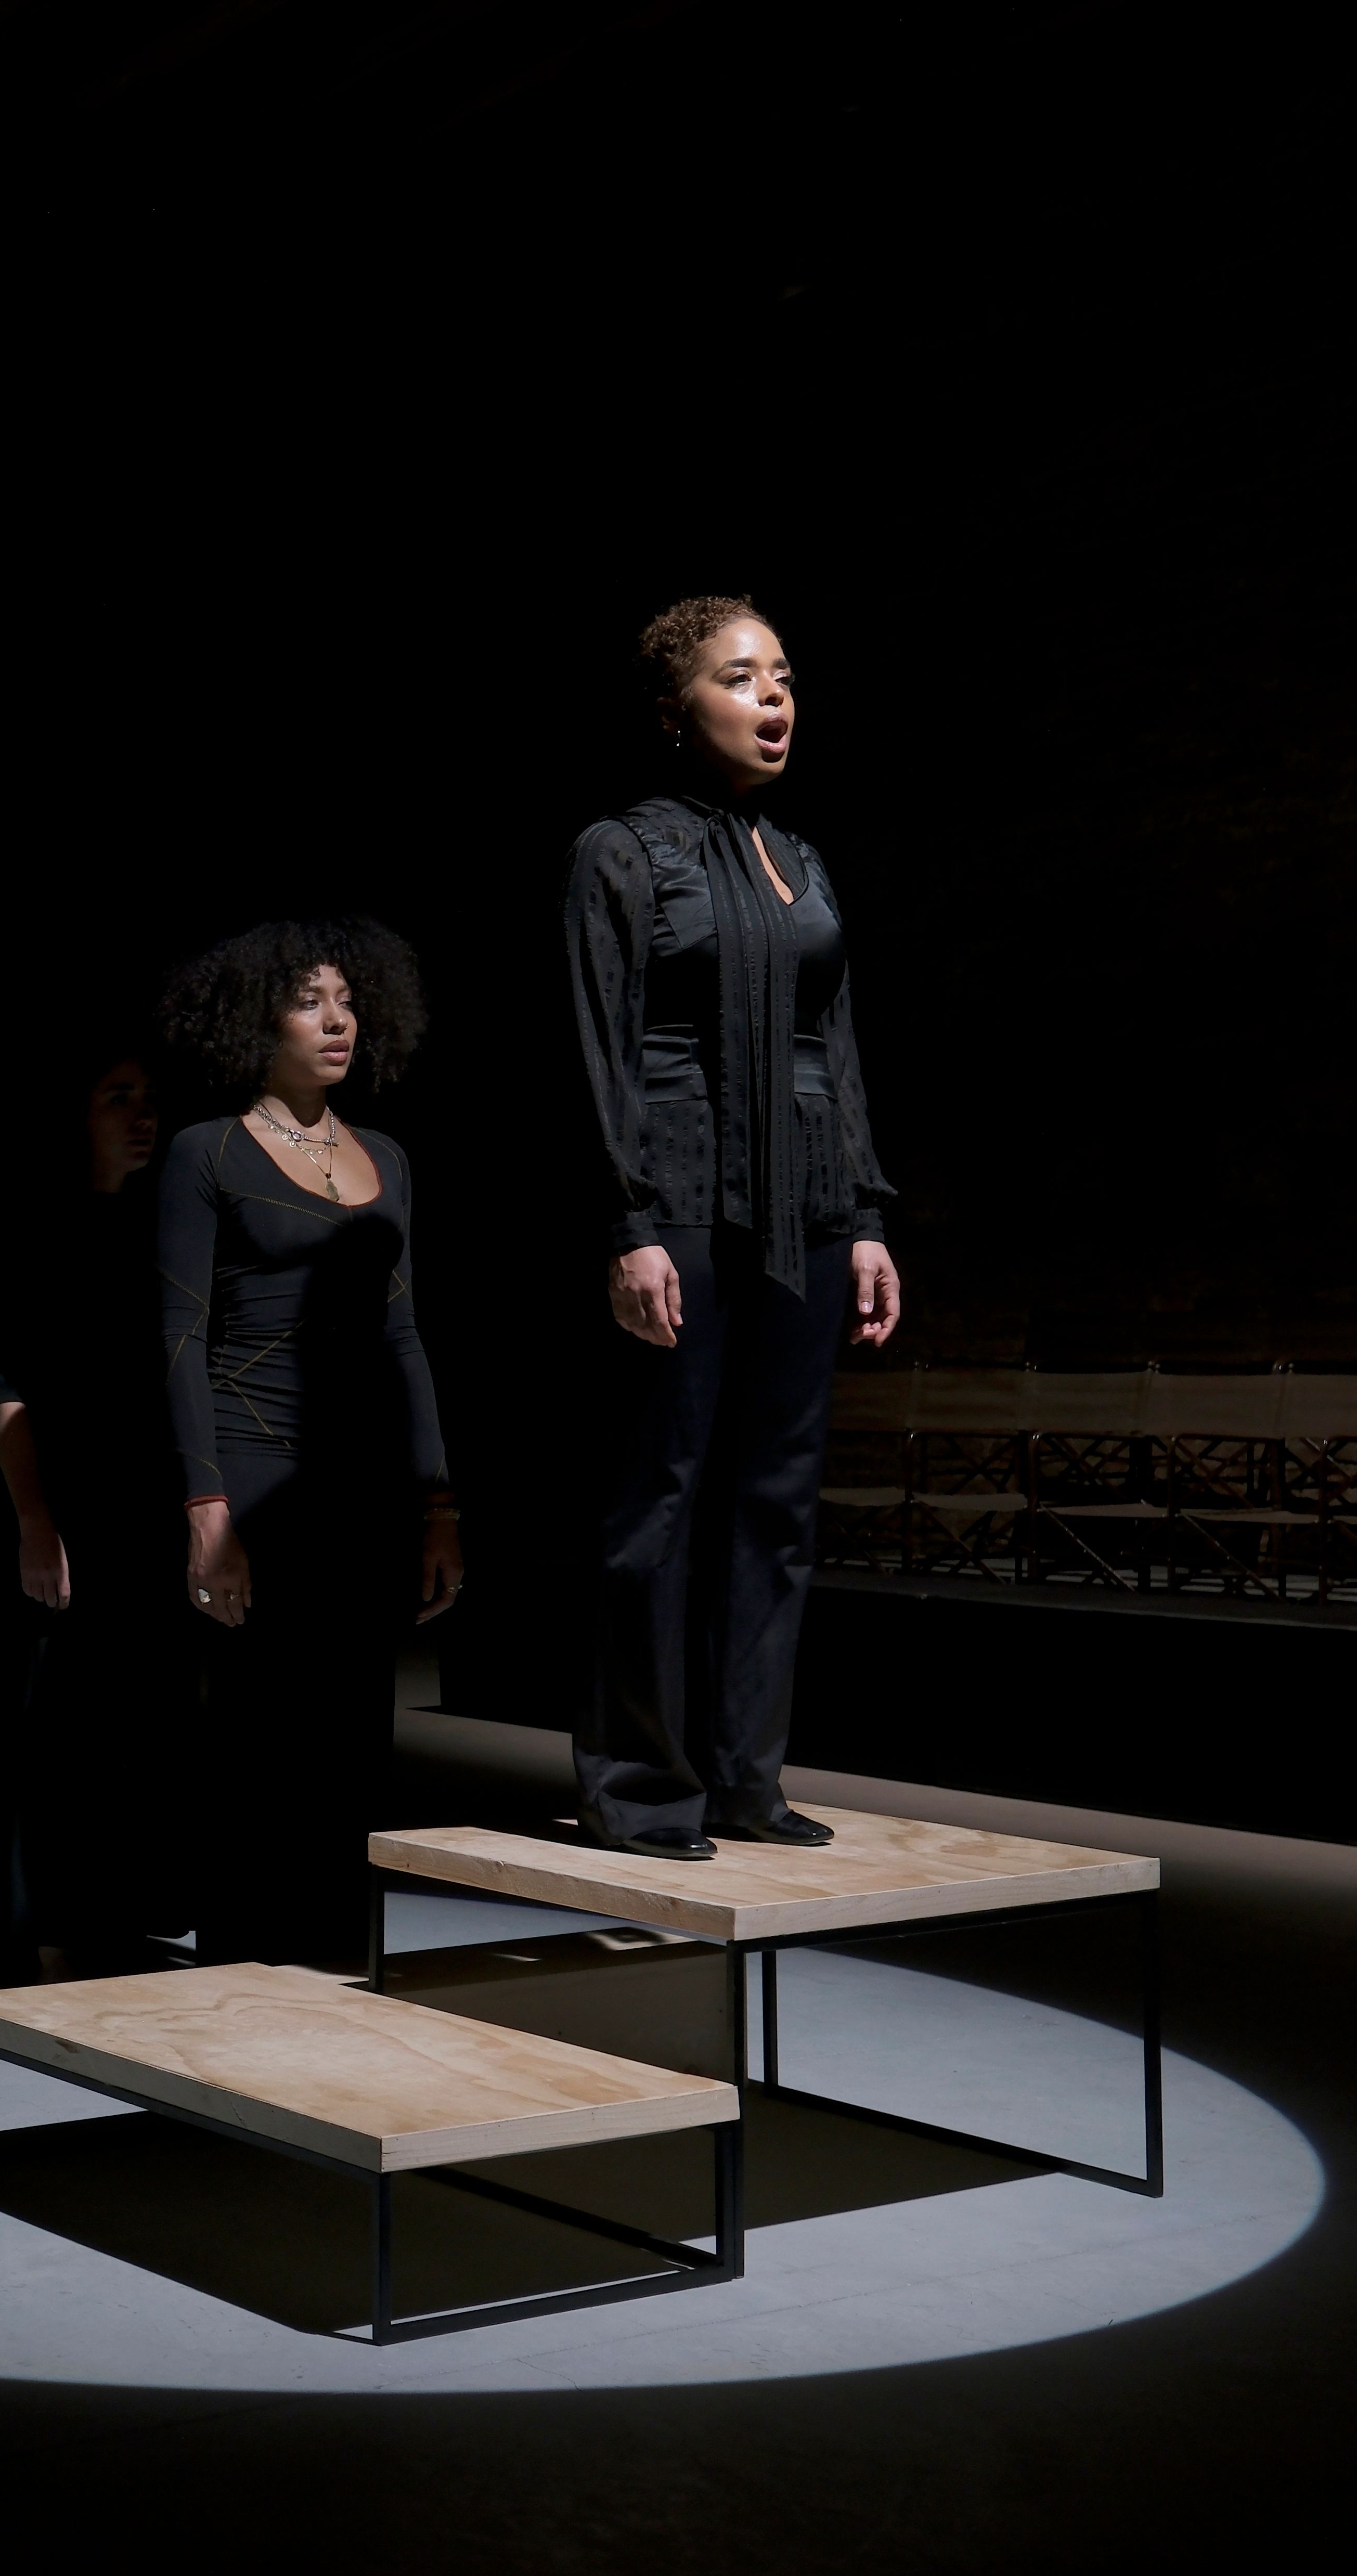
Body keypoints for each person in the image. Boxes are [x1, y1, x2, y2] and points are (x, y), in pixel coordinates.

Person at [561, 595, 902, 1860]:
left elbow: (835, 1046)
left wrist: (863, 1214)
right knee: (664, 1490)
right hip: (683, 1201)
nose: (774, 699)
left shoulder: (801, 859)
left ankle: (745, 1775)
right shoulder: (620, 851)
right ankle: (642, 1784)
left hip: (804, 1203)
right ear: (674, 710)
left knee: (777, 1500)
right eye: (742, 676)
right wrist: (630, 1220)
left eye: (785, 677)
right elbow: (597, 1049)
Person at [156, 921, 461, 1964]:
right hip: (253, 1469)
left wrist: (439, 1504)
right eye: (308, 1001)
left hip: (361, 1484)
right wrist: (206, 1509)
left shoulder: (390, 1159)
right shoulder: (207, 1151)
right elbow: (180, 1334)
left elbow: (405, 1335)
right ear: (258, 1021)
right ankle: (241, 1974)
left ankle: (337, 1972)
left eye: (347, 1000)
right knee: (257, 1738)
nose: (337, 1022)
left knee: (351, 1741)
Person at [0, 1051, 177, 1980]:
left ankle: (120, 1924)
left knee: (136, 1725)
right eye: (117, 1098)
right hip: (67, 1513)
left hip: (148, 1508)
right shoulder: (41, 1233)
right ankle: (54, 1940)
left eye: (149, 1100)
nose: (142, 1115)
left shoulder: (167, 1228)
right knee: (59, 1729)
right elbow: (8, 1394)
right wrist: (35, 1523)